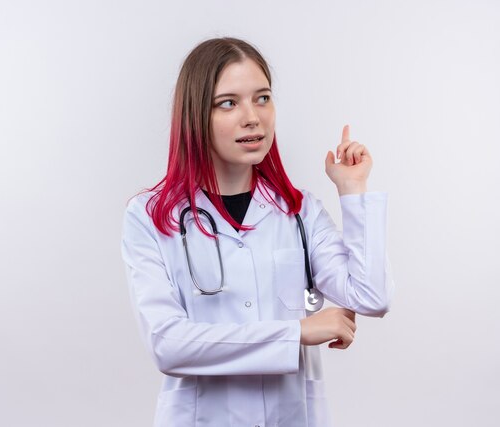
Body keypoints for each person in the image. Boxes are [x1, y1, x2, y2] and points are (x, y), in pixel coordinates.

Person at [121, 37, 394, 427]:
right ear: (195, 115)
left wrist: (353, 191)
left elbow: (371, 296)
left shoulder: (299, 211)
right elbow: (168, 345)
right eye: (228, 103)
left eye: (262, 98)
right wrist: (297, 332)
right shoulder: (150, 217)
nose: (253, 118)